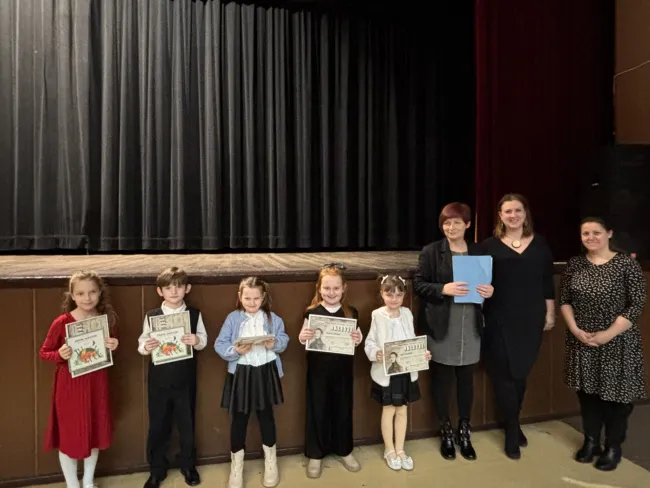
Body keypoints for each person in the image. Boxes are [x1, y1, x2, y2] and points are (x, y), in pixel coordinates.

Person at [560, 217, 647, 471]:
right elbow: (565, 300)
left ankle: (613, 446)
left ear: (609, 233)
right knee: (587, 394)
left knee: (615, 398)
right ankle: (591, 441)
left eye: (596, 232)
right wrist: (575, 329)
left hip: (617, 341)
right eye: (585, 233)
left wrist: (608, 334)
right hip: (582, 340)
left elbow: (636, 304)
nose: (590, 238)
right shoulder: (575, 264)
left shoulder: (626, 264)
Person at [413, 202, 492, 461]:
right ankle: (445, 430)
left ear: (467, 224)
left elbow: (488, 284)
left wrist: (490, 290)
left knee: (466, 380)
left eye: (457, 222)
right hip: (442, 325)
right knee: (442, 380)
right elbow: (419, 284)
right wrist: (443, 289)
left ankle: (464, 430)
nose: (451, 227)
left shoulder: (479, 251)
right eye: (446, 223)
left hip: (471, 324)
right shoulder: (431, 252)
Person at [479, 193, 555, 459]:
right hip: (498, 318)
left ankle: (513, 420)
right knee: (503, 376)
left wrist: (550, 313)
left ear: (525, 214)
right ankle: (512, 429)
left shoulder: (540, 244)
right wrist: (483, 291)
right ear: (500, 216)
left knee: (521, 374)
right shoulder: (487, 246)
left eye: (517, 210)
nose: (513, 215)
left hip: (531, 318)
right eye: (508, 211)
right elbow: (478, 283)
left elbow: (547, 282)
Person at [40, 270, 119, 488]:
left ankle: (88, 481)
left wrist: (113, 345)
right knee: (70, 438)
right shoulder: (62, 322)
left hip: (97, 384)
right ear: (72, 296)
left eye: (92, 292)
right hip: (70, 388)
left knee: (94, 433)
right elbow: (44, 352)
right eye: (81, 293)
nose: (87, 298)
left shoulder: (105, 320)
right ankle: (72, 484)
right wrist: (59, 354)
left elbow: (107, 348)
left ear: (100, 293)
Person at [215, 277, 289, 488]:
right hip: (241, 373)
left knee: (266, 417)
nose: (252, 302)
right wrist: (235, 350)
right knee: (239, 419)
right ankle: (236, 468)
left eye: (256, 298)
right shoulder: (233, 318)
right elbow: (219, 344)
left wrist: (274, 343)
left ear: (263, 297)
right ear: (240, 297)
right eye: (247, 298)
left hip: (266, 371)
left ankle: (271, 463)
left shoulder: (273, 319)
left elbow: (284, 341)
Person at [138, 267, 208, 488]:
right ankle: (156, 469)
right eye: (168, 288)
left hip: (185, 378)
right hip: (159, 380)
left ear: (187, 288)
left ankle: (188, 465)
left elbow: (204, 340)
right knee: (158, 425)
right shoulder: (152, 316)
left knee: (187, 424)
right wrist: (146, 346)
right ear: (160, 291)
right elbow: (142, 343)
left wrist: (196, 340)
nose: (174, 291)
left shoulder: (194, 315)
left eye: (179, 287)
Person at [298, 263, 363, 478]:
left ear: (344, 288)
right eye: (326, 288)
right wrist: (303, 337)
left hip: (343, 371)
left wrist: (358, 338)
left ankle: (344, 450)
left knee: (343, 409)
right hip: (318, 371)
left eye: (336, 288)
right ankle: (315, 454)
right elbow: (303, 337)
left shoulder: (351, 312)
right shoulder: (312, 312)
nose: (331, 292)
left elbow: (357, 338)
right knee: (317, 409)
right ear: (319, 288)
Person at [364, 275, 431, 471]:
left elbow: (412, 340)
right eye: (389, 294)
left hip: (405, 371)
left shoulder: (407, 313)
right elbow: (370, 342)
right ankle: (389, 449)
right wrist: (375, 353)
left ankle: (400, 449)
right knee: (389, 410)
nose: (394, 299)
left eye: (398, 295)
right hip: (387, 373)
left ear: (404, 295)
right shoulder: (377, 315)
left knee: (402, 410)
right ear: (382, 294)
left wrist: (421, 353)